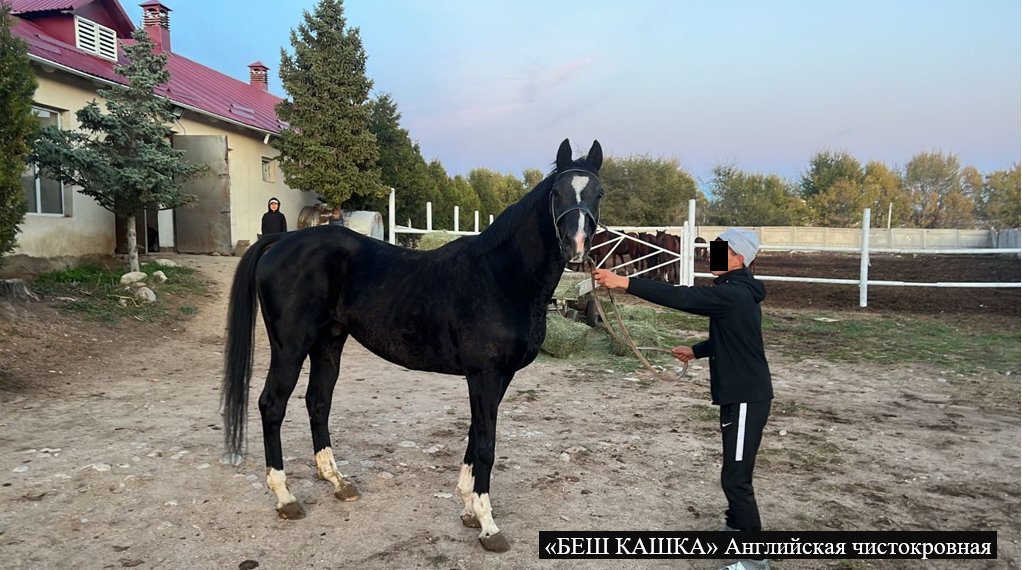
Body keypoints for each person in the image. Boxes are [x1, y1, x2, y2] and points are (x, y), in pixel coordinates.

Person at [592, 227, 773, 570]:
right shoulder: (738, 293)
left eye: (720, 250)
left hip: (746, 397)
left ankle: (755, 557)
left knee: (735, 477)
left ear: (738, 256)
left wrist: (625, 283)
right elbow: (737, 336)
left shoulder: (734, 294)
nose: (711, 255)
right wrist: (697, 350)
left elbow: (683, 297)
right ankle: (735, 526)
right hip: (741, 395)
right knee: (734, 470)